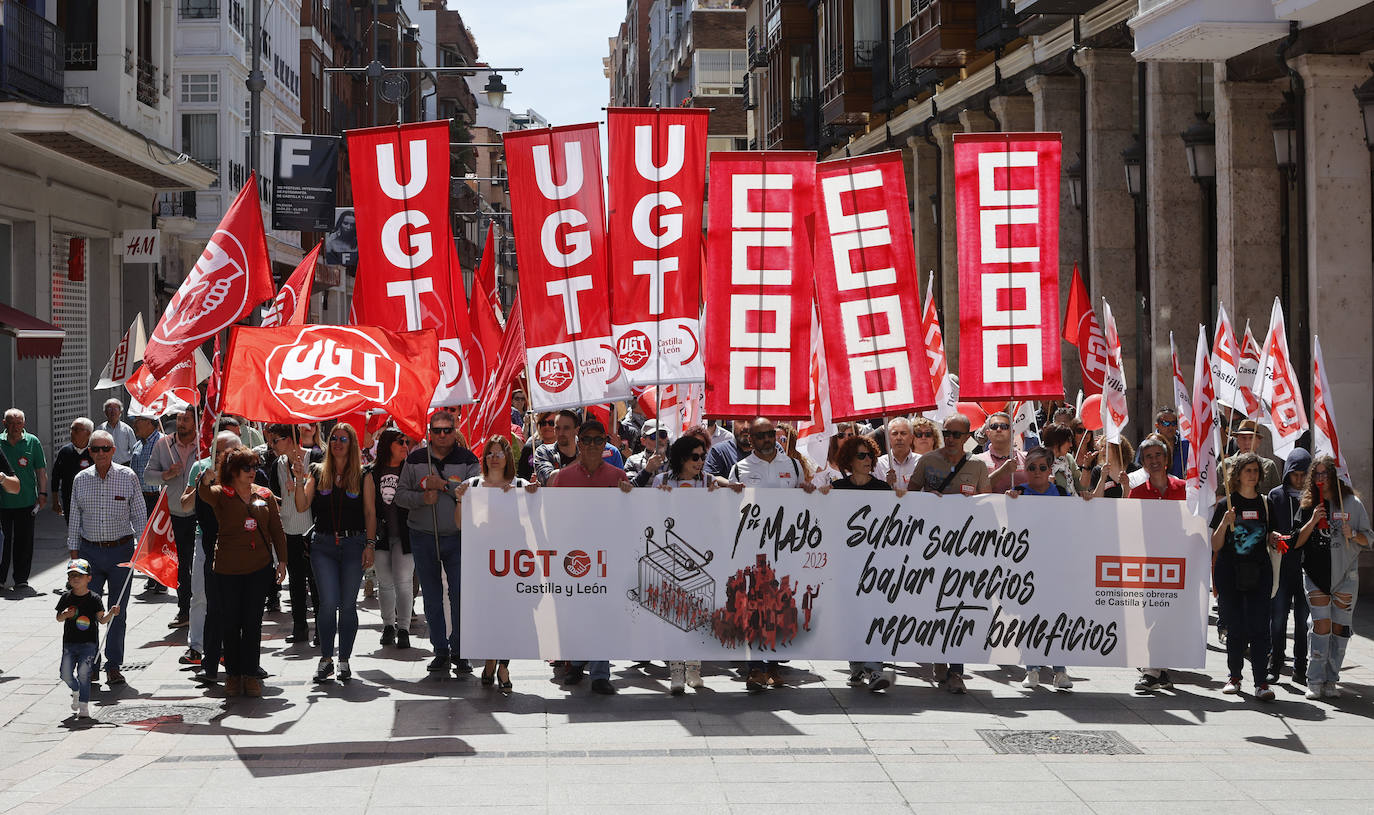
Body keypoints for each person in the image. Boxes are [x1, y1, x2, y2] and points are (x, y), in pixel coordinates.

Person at [728, 417, 816, 692]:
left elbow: (804, 498)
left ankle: (774, 667)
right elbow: (729, 506)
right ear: (750, 440)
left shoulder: (791, 465)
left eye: (770, 434)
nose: (768, 439)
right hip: (752, 549)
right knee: (753, 607)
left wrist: (809, 492)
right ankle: (755, 668)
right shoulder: (739, 468)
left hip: (786, 547)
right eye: (761, 435)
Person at [908, 413, 990, 694]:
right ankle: (938, 658)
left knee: (959, 608)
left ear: (968, 437)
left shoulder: (978, 466)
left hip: (965, 549)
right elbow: (910, 495)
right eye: (947, 433)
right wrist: (926, 498)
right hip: (930, 548)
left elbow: (987, 503)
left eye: (957, 434)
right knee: (934, 606)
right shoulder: (927, 461)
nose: (951, 438)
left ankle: (956, 671)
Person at [549, 420, 633, 694]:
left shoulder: (618, 476)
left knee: (602, 614)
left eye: (600, 440)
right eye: (588, 440)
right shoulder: (562, 477)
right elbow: (551, 516)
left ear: (606, 443)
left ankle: (600, 674)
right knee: (576, 613)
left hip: (607, 557)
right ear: (579, 442)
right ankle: (575, 662)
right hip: (573, 557)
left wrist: (628, 498)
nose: (594, 445)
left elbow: (630, 515)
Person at [197, 445, 287, 697]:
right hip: (227, 569)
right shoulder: (221, 493)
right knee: (230, 623)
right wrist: (203, 479)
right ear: (233, 471)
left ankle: (250, 675)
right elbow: (204, 493)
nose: (252, 472)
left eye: (255, 467)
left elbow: (277, 530)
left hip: (258, 568)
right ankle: (233, 675)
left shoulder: (265, 494)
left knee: (252, 623)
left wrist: (282, 562)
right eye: (246, 467)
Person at [395, 409, 479, 677]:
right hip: (422, 535)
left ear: (455, 431)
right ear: (429, 433)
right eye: (437, 430)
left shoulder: (468, 460)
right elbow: (399, 496)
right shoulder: (416, 459)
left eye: (447, 430)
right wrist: (422, 498)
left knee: (460, 597)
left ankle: (460, 650)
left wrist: (442, 486)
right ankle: (440, 650)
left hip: (457, 536)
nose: (442, 435)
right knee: (431, 597)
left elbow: (475, 494)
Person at [455, 435, 538, 693]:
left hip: (512, 563)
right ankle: (490, 659)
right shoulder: (473, 484)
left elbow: (536, 521)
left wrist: (531, 495)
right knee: (487, 615)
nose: (494, 457)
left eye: (499, 453)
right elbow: (460, 524)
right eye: (489, 453)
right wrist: (459, 499)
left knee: (509, 616)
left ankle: (502, 664)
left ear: (507, 457)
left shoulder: (522, 484)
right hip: (482, 562)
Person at [65, 429, 146, 686]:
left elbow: (140, 515)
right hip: (89, 554)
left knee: (116, 611)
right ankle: (91, 663)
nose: (100, 453)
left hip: (121, 552)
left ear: (113, 451)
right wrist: (74, 559)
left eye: (105, 449)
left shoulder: (128, 476)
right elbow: (74, 519)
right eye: (95, 449)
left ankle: (113, 665)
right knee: (87, 610)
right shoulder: (81, 479)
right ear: (89, 452)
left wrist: (142, 549)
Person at [295, 422, 373, 682]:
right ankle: (326, 658)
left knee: (348, 605)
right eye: (335, 438)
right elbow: (302, 504)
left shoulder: (364, 475)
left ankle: (344, 660)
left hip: (354, 545)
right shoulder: (317, 471)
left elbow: (370, 513)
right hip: (324, 546)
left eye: (344, 439)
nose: (338, 442)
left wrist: (370, 545)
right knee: (328, 604)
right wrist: (297, 480)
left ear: (352, 445)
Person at [1292, 456, 1372, 700]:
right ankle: (1314, 679)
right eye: (1316, 474)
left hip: (1346, 574)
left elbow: (1369, 539)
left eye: (1325, 473)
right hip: (1315, 574)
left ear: (1335, 476)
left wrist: (1354, 533)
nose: (1321, 478)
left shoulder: (1352, 503)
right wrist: (1314, 519)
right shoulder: (1307, 504)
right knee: (1320, 625)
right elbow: (1295, 540)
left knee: (1340, 627)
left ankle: (1331, 678)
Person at [1210, 452, 1279, 701]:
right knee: (1236, 627)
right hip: (1230, 572)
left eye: (1256, 471)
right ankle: (1234, 677)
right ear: (1237, 474)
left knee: (1260, 628)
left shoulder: (1266, 503)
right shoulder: (1225, 504)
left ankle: (1261, 683)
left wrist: (1275, 538)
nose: (1253, 475)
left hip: (1259, 572)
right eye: (1248, 470)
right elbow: (1215, 544)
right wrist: (1224, 522)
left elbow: (1272, 534)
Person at [831, 434, 896, 693]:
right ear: (849, 460)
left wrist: (896, 492)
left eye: (870, 455)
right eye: (861, 455)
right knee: (852, 615)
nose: (868, 460)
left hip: (876, 564)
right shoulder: (837, 489)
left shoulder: (882, 489)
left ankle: (876, 668)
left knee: (873, 613)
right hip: (846, 564)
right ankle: (857, 666)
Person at [1007, 448, 1075, 690]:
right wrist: (1008, 502)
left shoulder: (1062, 494)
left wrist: (1088, 497)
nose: (1036, 472)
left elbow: (1078, 520)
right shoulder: (1018, 493)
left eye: (1042, 467)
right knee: (1031, 619)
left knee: (1057, 619)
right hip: (1028, 567)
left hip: (1056, 567)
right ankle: (1032, 670)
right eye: (1031, 467)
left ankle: (1060, 671)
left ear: (1050, 469)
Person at [257, 423, 323, 643]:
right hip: (289, 529)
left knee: (316, 580)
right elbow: (277, 497)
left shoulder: (314, 458)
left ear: (290, 438)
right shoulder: (278, 463)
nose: (271, 445)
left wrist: (300, 483)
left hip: (311, 528)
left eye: (276, 440)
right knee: (295, 580)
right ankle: (300, 627)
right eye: (270, 440)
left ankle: (322, 630)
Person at [182, 431, 240, 682]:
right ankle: (199, 649)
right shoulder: (200, 468)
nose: (228, 457)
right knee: (203, 598)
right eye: (223, 451)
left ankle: (236, 657)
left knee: (236, 605)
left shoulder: (242, 471)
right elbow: (185, 504)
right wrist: (202, 486)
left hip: (237, 546)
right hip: (207, 543)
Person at [145, 407, 200, 630]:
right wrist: (166, 475)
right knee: (180, 564)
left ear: (196, 422)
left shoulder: (204, 445)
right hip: (174, 515)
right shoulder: (163, 445)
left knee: (199, 564)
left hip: (199, 514)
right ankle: (184, 609)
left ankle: (202, 607)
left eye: (186, 419)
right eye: (178, 419)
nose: (181, 423)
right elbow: (148, 476)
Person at [1265, 449, 1311, 686]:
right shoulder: (1275, 496)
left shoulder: (1314, 497)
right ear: (1288, 473)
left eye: (1305, 474)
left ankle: (1301, 666)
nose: (1300, 479)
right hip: (1281, 565)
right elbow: (1267, 526)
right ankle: (1275, 662)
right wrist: (1271, 535)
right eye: (1296, 474)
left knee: (1303, 620)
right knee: (1279, 616)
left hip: (1306, 567)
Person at [367, 428, 415, 650]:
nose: (405, 446)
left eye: (407, 442)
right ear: (387, 445)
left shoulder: (411, 470)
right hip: (381, 536)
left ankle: (403, 628)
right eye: (400, 442)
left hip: (406, 534)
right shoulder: (371, 473)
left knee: (404, 582)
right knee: (385, 583)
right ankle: (388, 626)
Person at [55, 558, 119, 719]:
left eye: (80, 575)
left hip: (88, 644)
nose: (76, 578)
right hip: (69, 643)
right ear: (68, 579)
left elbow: (102, 620)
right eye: (72, 575)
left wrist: (111, 613)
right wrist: (65, 614)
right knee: (65, 674)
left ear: (89, 578)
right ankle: (75, 691)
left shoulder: (95, 599)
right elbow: (58, 618)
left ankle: (83, 705)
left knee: (84, 674)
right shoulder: (66, 597)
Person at [1, 408, 47, 593]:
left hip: (26, 501)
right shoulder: (0, 442)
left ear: (24, 424)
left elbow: (41, 471)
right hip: (2, 503)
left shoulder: (32, 442)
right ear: (4, 424)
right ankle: (1, 578)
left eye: (18, 423)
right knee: (3, 542)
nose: (15, 427)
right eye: (11, 423)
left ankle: (21, 579)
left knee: (24, 541)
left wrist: (42, 494)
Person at [1220, 420, 1281, 496]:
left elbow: (1277, 496)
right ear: (1237, 441)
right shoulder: (1225, 465)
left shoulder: (1269, 466)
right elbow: (1215, 497)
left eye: (1251, 438)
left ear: (1258, 442)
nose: (1247, 442)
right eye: (1243, 438)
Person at [972, 412, 1027, 495]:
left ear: (1012, 432)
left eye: (1004, 426)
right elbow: (975, 490)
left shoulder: (1027, 458)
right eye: (994, 427)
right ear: (988, 433)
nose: (998, 429)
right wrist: (1002, 471)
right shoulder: (976, 461)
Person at [51, 418, 94, 517]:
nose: (72, 433)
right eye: (71, 429)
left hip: (92, 501)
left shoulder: (95, 451)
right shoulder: (65, 452)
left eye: (76, 430)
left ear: (88, 433)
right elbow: (56, 477)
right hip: (69, 500)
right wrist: (55, 500)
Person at [1133, 408, 1189, 478]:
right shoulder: (1146, 445)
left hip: (1179, 487)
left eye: (1173, 423)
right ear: (1157, 425)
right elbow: (1139, 470)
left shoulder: (1185, 445)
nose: (1170, 427)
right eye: (1166, 423)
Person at [532, 409, 582, 485]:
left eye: (566, 428)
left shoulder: (587, 452)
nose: (561, 433)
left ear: (577, 430)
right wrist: (577, 462)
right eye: (557, 428)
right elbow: (549, 481)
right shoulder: (543, 452)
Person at [128, 410, 163, 515]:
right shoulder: (137, 446)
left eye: (136, 420)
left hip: (159, 499)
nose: (133, 424)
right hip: (140, 500)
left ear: (148, 422)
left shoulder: (164, 442)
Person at [873, 417, 919, 487]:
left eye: (903, 433)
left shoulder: (921, 462)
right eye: (895, 434)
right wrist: (886, 484)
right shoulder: (878, 465)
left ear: (911, 438)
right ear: (888, 438)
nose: (899, 438)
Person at [625, 420, 671, 487]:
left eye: (662, 434)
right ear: (643, 441)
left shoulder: (676, 462)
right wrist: (647, 470)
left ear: (667, 438)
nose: (659, 439)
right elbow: (628, 488)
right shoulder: (633, 461)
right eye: (654, 436)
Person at [518, 412, 556, 481]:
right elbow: (521, 475)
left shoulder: (565, 449)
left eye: (551, 423)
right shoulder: (529, 448)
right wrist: (529, 482)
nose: (547, 426)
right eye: (543, 423)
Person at [99, 398, 137, 466]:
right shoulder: (100, 430)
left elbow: (134, 451)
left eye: (115, 409)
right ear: (105, 412)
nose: (112, 412)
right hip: (104, 465)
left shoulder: (127, 429)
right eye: (110, 409)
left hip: (124, 465)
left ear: (120, 412)